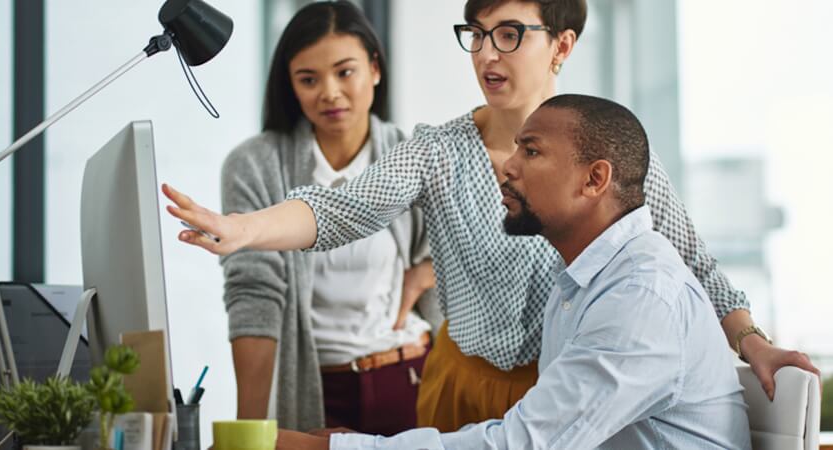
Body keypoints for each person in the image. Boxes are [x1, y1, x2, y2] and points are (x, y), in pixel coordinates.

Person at [164, 0, 818, 432]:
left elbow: (691, 259)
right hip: (460, 385)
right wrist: (245, 229)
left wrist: (751, 341)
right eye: (475, 35)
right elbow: (343, 208)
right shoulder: (437, 149)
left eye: (508, 35)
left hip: (568, 392)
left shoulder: (608, 150)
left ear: (562, 45)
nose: (485, 54)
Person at [275, 95, 753, 449]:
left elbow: (522, 445)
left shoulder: (640, 297)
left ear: (594, 179)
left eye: (531, 152)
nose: (507, 166)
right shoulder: (583, 280)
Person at [216, 1, 439, 434]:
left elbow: (476, 244)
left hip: (410, 376)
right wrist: (250, 431)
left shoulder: (412, 154)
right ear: (290, 85)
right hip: (316, 389)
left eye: (345, 72)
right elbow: (254, 294)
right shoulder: (254, 165)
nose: (330, 92)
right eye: (308, 79)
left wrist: (426, 271)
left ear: (375, 69)